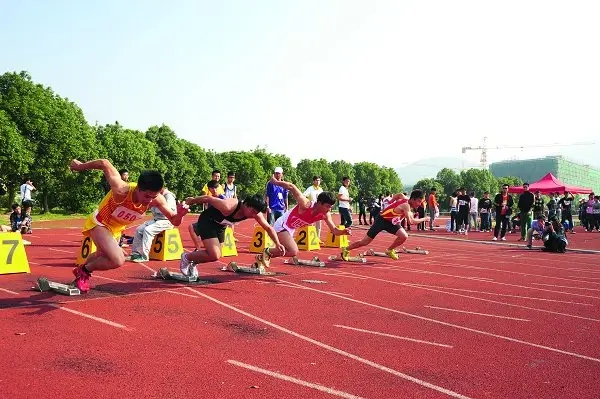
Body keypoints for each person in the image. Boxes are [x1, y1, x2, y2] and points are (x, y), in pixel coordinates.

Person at [69, 159, 189, 292]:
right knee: (117, 260)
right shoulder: (121, 190)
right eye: (146, 196)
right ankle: (84, 271)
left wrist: (181, 214)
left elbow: (174, 221)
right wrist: (80, 166)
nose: (149, 201)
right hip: (100, 223)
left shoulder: (156, 199)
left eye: (153, 196)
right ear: (138, 188)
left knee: (100, 255)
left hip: (116, 229)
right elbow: (104, 163)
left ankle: (81, 271)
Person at [251, 176, 350, 269]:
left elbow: (334, 230)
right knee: (293, 250)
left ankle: (261, 257)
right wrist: (276, 182)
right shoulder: (306, 204)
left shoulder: (325, 215)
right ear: (319, 203)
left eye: (331, 207)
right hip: (282, 224)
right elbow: (292, 187)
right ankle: (267, 251)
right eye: (328, 206)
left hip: (290, 229)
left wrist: (343, 232)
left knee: (287, 251)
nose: (329, 209)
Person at [180, 194, 284, 277]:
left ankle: (193, 263)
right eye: (252, 212)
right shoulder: (229, 206)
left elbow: (268, 228)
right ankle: (186, 257)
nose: (254, 215)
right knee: (215, 254)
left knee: (214, 255)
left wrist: (277, 243)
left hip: (221, 226)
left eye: (256, 213)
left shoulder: (255, 212)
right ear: (247, 204)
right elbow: (208, 198)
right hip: (207, 221)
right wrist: (191, 201)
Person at [341, 190, 429, 260]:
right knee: (365, 242)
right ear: (413, 199)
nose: (419, 204)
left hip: (392, 223)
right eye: (418, 201)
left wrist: (391, 201)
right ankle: (346, 249)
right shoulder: (406, 206)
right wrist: (424, 219)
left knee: (404, 236)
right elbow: (411, 222)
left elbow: (399, 195)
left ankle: (389, 250)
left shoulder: (405, 198)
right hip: (381, 220)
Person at [128, 187, 177, 262]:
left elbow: (171, 213)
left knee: (148, 230)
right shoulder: (155, 196)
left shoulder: (169, 196)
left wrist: (158, 205)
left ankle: (144, 256)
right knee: (139, 229)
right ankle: (135, 253)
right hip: (156, 219)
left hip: (167, 220)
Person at [188, 179, 227, 250]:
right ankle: (198, 249)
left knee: (219, 250)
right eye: (212, 188)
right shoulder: (210, 199)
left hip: (220, 225)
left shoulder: (223, 199)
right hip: (210, 224)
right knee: (191, 227)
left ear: (219, 188)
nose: (214, 190)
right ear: (209, 189)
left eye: (216, 188)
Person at [303, 176, 324, 242]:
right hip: (312, 208)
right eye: (316, 180)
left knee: (318, 225)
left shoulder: (320, 189)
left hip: (319, 209)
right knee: (310, 224)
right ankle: (310, 239)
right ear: (313, 181)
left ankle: (317, 239)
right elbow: (304, 195)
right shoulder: (310, 188)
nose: (318, 182)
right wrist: (308, 202)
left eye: (319, 180)